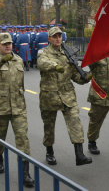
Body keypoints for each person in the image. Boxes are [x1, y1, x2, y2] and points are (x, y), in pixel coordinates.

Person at [37, 27, 92, 166]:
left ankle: (79, 155)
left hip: (67, 94)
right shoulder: (44, 52)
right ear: (49, 39)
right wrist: (55, 66)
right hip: (49, 95)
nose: (57, 39)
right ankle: (49, 151)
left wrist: (88, 76)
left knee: (75, 122)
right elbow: (42, 63)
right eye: (54, 36)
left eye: (59, 36)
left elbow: (76, 77)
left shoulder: (68, 53)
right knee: (49, 126)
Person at [0, 33, 34, 187]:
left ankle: (25, 172)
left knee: (23, 138)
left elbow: (21, 84)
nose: (8, 46)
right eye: (4, 44)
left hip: (18, 107)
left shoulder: (18, 59)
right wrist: (1, 60)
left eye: (9, 43)